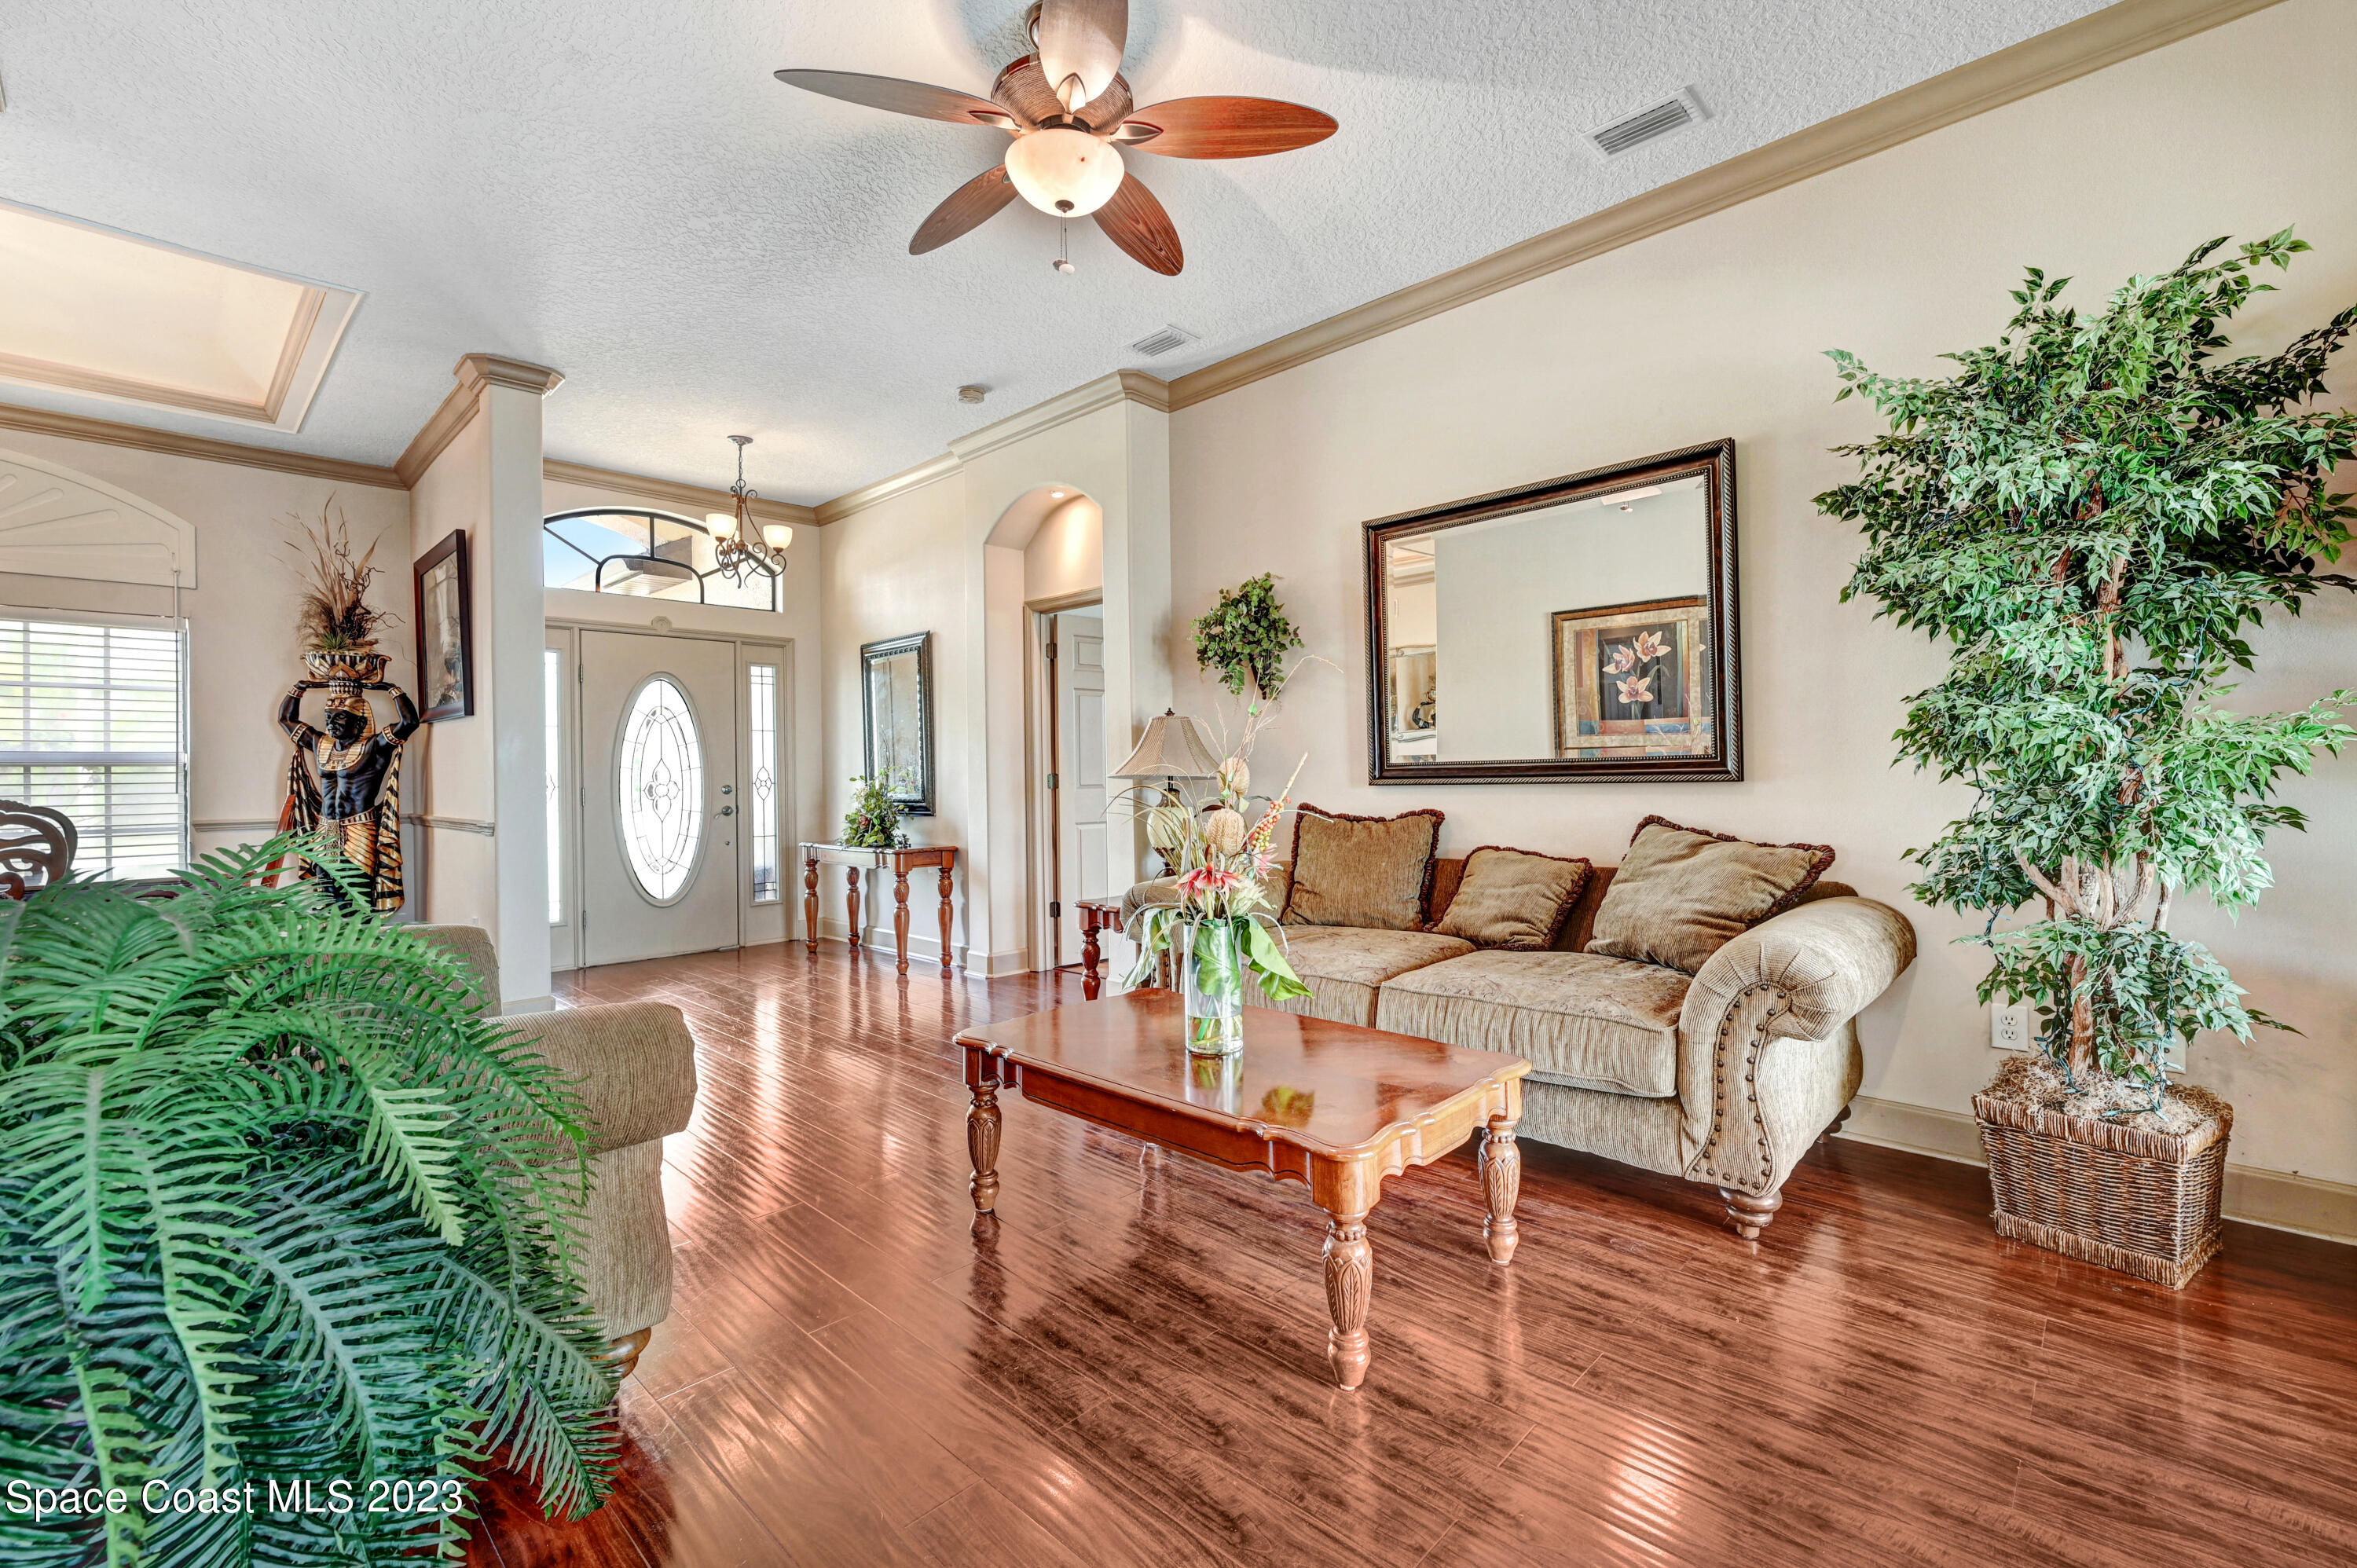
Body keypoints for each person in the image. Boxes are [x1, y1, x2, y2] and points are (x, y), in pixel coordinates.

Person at [279, 676, 420, 911]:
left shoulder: (374, 747)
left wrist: (392, 689)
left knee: (357, 895)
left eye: (340, 717)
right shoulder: (320, 744)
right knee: (326, 895)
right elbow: (286, 720)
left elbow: (409, 722)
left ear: (361, 722)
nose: (331, 723)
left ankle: (360, 936)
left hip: (359, 829)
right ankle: (330, 936)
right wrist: (299, 688)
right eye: (328, 717)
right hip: (325, 829)